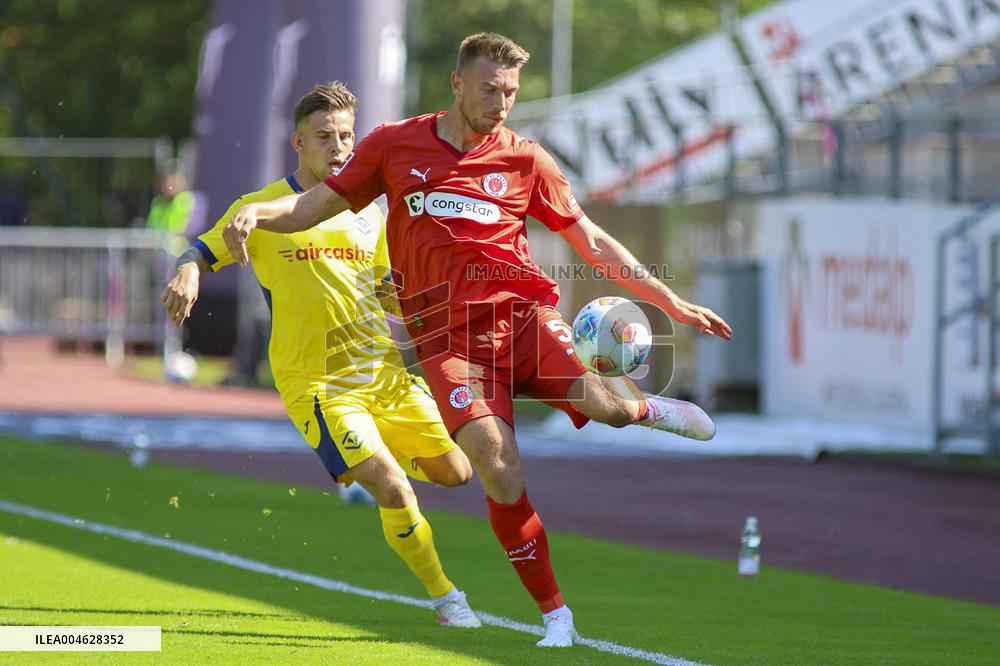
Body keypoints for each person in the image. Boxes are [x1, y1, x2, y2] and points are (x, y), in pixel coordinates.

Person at [221, 34, 732, 648]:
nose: (501, 102)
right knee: (496, 469)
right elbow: (310, 208)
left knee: (608, 409)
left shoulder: (525, 158)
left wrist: (669, 302)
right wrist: (254, 215)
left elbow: (591, 241)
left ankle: (646, 409)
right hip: (449, 344)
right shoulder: (391, 145)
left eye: (511, 92)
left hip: (522, 320)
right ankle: (556, 617)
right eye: (489, 89)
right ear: (458, 84)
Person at [160, 81, 481, 628]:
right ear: (297, 143)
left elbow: (388, 291)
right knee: (393, 487)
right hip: (317, 383)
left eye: (347, 136)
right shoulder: (258, 211)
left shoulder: (369, 212)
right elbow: (200, 248)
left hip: (383, 375)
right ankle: (447, 599)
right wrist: (188, 271)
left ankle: (359, 461)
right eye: (324, 136)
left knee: (458, 474)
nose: (339, 147)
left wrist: (435, 317)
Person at [146, 166, 195, 235]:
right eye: (167, 183)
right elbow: (151, 226)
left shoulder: (187, 200)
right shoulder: (158, 202)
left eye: (174, 183)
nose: (170, 187)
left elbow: (191, 228)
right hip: (158, 242)